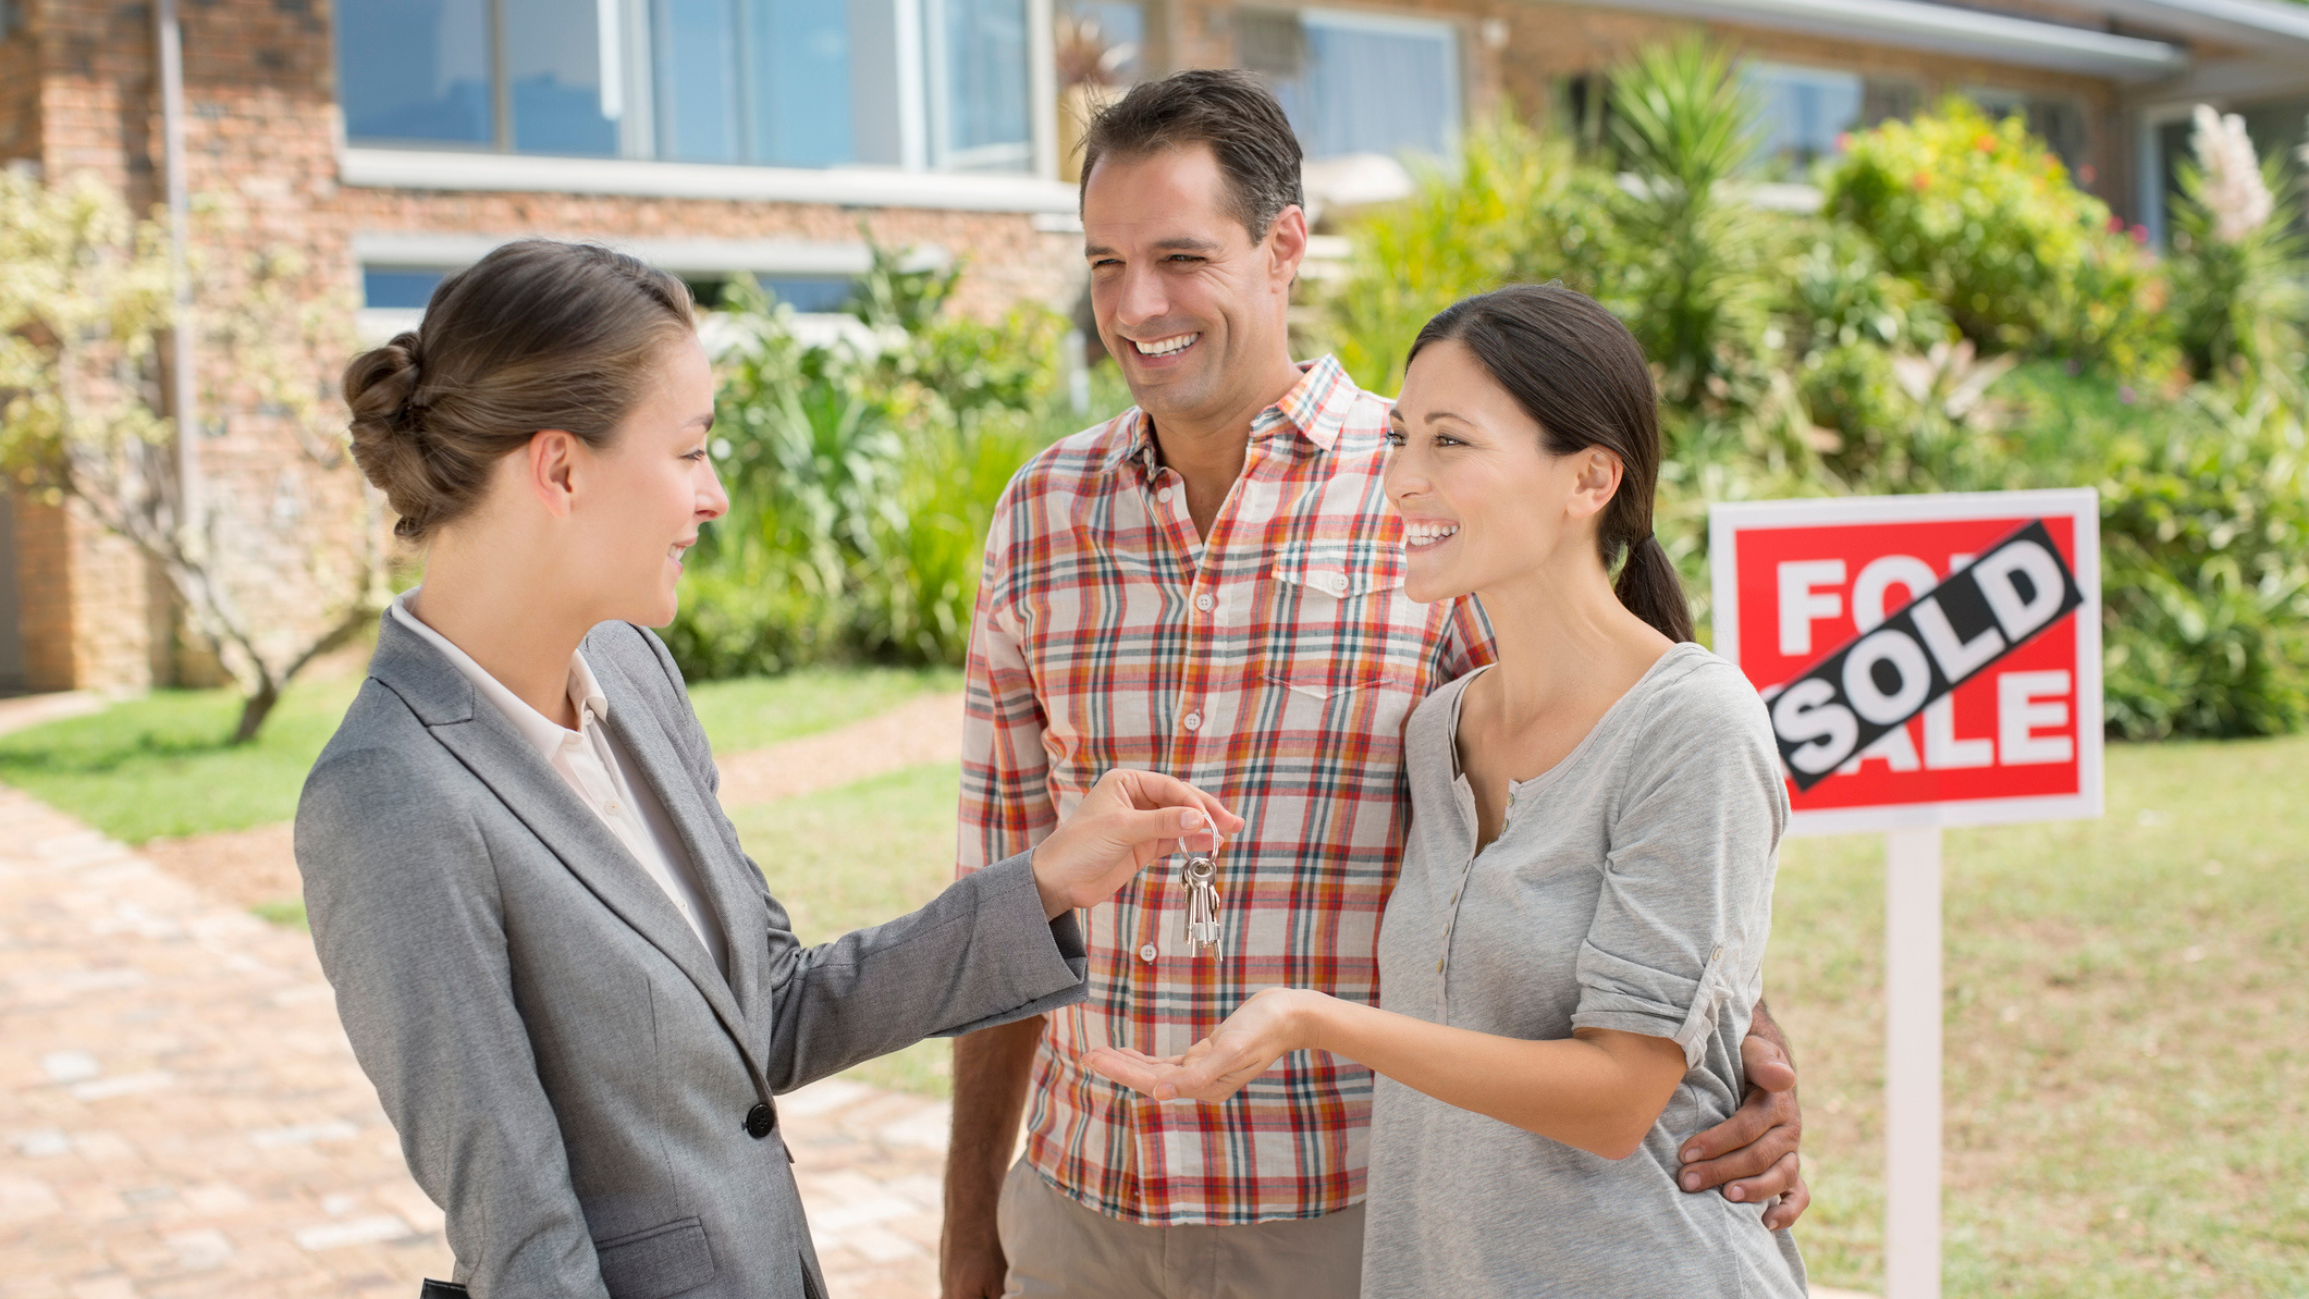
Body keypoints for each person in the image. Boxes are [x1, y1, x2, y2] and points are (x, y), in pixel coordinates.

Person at [942, 71, 1807, 1299]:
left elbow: (1608, 809)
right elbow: (996, 899)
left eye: (1180, 256)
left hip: (1348, 1219)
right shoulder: (1040, 516)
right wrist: (970, 1226)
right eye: (1102, 265)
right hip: (1081, 1208)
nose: (1135, 305)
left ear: (1283, 246)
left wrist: (1740, 1061)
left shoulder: (1438, 501)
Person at [296, 239, 1242, 1299]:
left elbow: (771, 1011)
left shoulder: (627, 671)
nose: (715, 498)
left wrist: (1048, 882)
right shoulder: (389, 798)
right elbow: (523, 1240)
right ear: (559, 468)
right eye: (690, 451)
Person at [1090, 284, 1807, 1297]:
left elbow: (1616, 1096)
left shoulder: (1692, 723)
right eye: (1397, 439)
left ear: (1588, 477)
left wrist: (1312, 1020)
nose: (1399, 481)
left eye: (1448, 443)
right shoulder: (1440, 732)